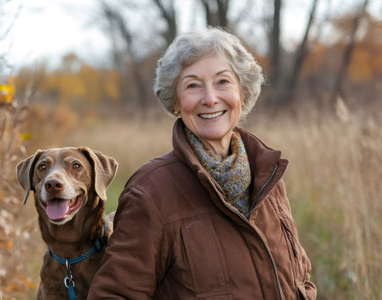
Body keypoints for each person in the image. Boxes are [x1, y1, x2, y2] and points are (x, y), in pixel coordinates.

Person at [88, 27, 316, 299]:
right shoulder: (150, 193)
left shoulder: (268, 176)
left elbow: (301, 278)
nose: (210, 99)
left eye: (223, 82)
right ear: (175, 101)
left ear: (242, 93)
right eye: (193, 85)